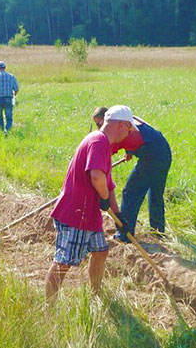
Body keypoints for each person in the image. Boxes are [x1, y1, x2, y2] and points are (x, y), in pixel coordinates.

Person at [45, 105, 135, 303]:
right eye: (129, 130)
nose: (129, 134)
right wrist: (103, 198)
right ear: (121, 125)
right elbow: (96, 177)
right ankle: (48, 307)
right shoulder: (98, 141)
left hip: (89, 215)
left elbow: (108, 184)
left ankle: (95, 294)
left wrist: (118, 215)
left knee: (101, 252)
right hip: (77, 213)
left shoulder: (104, 144)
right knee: (63, 262)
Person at [93, 107, 172, 241]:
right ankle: (158, 233)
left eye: (99, 123)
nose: (99, 127)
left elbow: (101, 163)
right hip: (164, 150)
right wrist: (130, 150)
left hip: (153, 155)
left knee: (131, 192)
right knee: (155, 194)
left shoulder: (114, 133)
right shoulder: (126, 121)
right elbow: (142, 133)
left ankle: (125, 234)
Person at [0, 61, 19, 135]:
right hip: (8, 99)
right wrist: (14, 95)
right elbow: (16, 89)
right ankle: (7, 130)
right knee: (9, 117)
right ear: (5, 67)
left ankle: (1, 130)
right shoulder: (11, 76)